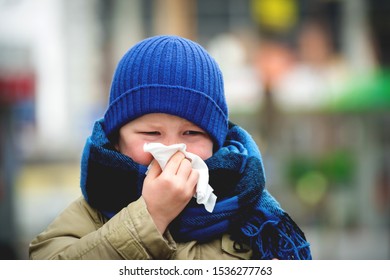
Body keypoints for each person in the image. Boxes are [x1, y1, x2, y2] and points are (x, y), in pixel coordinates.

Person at [29, 35, 311, 260]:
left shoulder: (255, 216)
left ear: (216, 142)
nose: (174, 149)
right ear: (117, 139)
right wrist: (150, 216)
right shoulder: (89, 213)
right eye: (152, 132)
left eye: (191, 133)